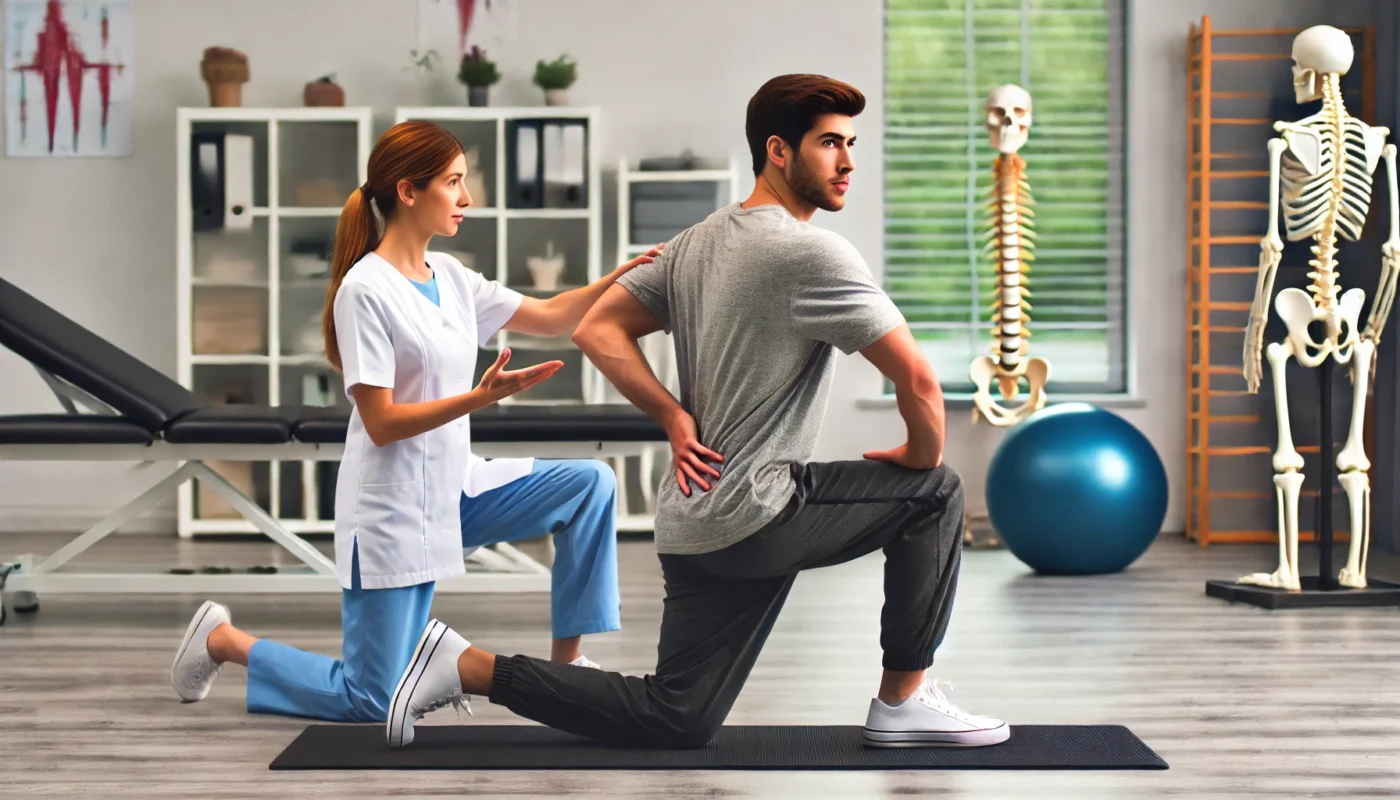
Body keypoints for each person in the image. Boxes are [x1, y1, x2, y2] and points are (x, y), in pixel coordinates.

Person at [383, 75, 1010, 750]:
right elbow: (917, 378)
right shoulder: (811, 252)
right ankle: (903, 702)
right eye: (830, 143)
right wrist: (919, 459)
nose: (848, 161)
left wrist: (674, 419)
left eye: (850, 143)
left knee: (674, 716)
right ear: (778, 150)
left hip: (694, 523)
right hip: (761, 514)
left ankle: (465, 665)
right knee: (936, 494)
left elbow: (596, 329)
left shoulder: (699, 242)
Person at [167, 120, 664, 724]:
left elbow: (553, 315)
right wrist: (477, 399)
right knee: (372, 698)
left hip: (457, 490)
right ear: (408, 191)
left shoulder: (450, 277)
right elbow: (379, 422)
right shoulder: (365, 291)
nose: (467, 198)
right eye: (454, 183)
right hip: (393, 509)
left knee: (589, 486)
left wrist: (624, 275)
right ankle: (225, 641)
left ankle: (566, 671)